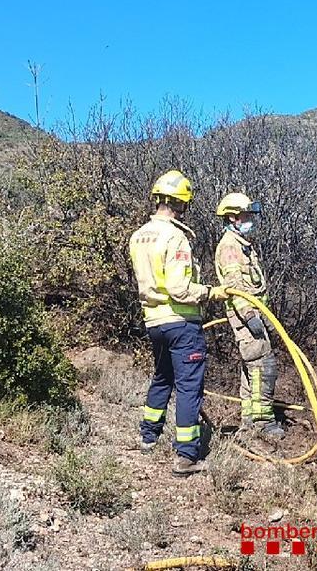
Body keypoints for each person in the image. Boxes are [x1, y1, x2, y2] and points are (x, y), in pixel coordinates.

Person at [128, 169, 228, 476]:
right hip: (180, 322)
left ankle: (148, 436)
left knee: (162, 377)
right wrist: (212, 292)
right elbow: (179, 288)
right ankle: (187, 455)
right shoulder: (175, 236)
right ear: (182, 203)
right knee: (189, 387)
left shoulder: (139, 234)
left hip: (153, 321)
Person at [213, 192, 285, 440]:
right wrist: (249, 315)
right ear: (232, 217)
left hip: (256, 314)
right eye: (246, 215)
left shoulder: (243, 245)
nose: (250, 220)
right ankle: (262, 420)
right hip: (245, 317)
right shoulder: (231, 248)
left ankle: (249, 418)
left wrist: (265, 317)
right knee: (263, 366)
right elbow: (236, 287)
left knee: (252, 367)